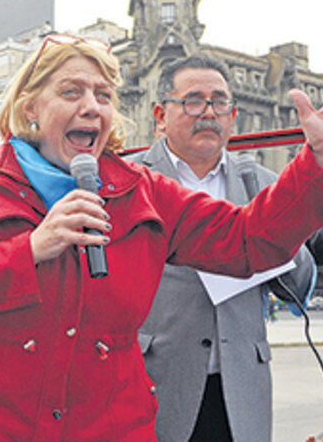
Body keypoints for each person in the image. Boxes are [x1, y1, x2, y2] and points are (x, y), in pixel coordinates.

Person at [0, 33, 323, 441]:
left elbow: (248, 240)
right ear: (30, 106)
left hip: (108, 426)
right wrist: (29, 250)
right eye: (71, 92)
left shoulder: (143, 190)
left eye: (103, 96)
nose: (91, 107)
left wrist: (314, 165)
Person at [131, 54, 317, 442]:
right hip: (156, 382)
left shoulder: (262, 183)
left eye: (220, 103)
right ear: (161, 115)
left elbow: (300, 286)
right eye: (194, 101)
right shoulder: (131, 182)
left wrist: (276, 243)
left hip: (239, 390)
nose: (209, 113)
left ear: (233, 115)